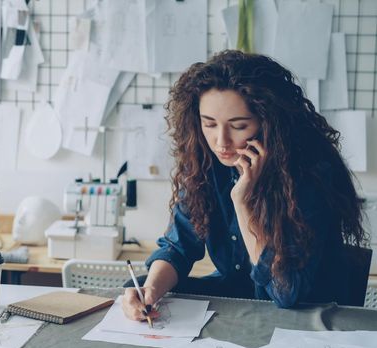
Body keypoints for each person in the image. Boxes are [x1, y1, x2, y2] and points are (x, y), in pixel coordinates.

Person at [122, 50, 367, 320]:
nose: (221, 142)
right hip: (240, 297)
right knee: (138, 287)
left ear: (268, 122)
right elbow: (179, 246)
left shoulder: (309, 175)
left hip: (303, 309)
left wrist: (242, 202)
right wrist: (150, 289)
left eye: (238, 126)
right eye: (209, 124)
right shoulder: (207, 163)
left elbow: (285, 291)